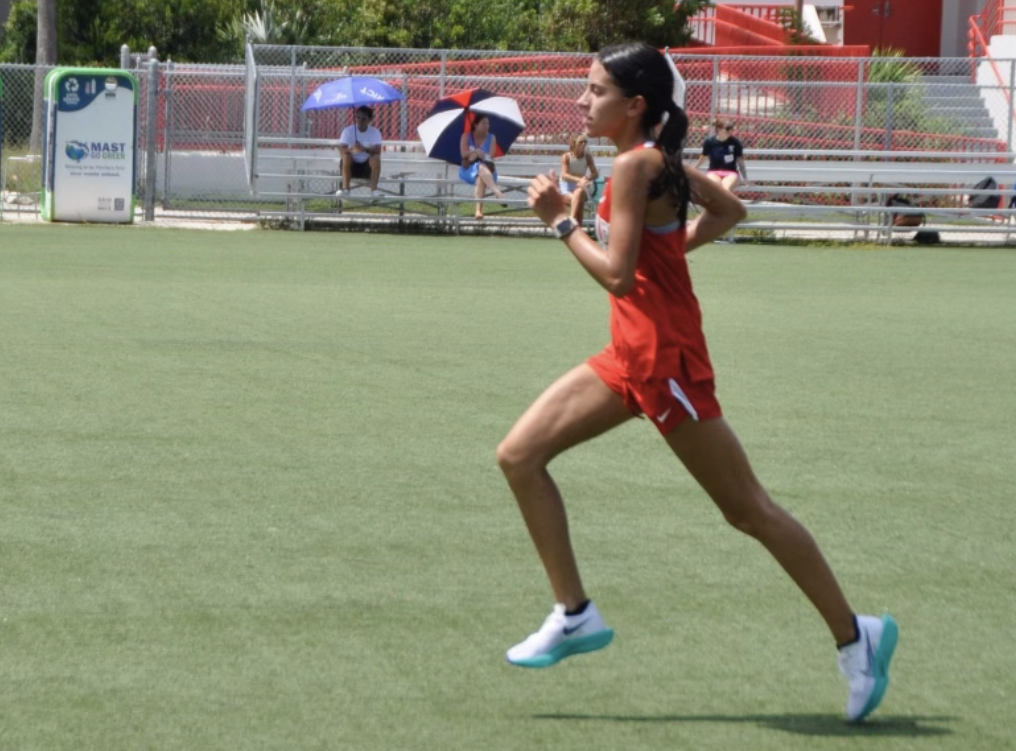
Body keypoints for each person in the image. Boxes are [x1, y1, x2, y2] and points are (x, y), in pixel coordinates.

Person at [498, 42, 897, 724]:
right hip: (628, 355)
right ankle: (575, 613)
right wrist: (660, 251)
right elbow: (727, 213)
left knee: (747, 509)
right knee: (519, 455)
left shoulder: (637, 165)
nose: (581, 100)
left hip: (665, 363)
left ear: (636, 105)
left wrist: (560, 221)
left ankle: (856, 635)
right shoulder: (655, 162)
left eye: (594, 91)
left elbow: (620, 275)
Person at [459, 114, 507, 220]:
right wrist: (475, 151)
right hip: (469, 169)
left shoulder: (491, 137)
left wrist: (479, 154)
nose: (486, 125)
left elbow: (491, 155)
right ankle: (498, 193)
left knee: (481, 175)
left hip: (487, 169)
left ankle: (478, 211)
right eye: (483, 123)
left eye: (488, 123)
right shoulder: (466, 136)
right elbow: (464, 154)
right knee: (479, 168)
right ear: (476, 125)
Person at [337, 105, 383, 197]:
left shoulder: (375, 132)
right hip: (351, 166)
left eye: (363, 119)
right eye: (357, 117)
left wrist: (364, 149)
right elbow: (341, 150)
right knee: (346, 156)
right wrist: (351, 150)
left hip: (367, 168)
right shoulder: (348, 131)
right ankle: (346, 189)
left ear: (370, 120)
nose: (360, 121)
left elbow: (378, 150)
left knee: (376, 158)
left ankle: (374, 191)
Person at [695, 118, 747, 191]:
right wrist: (695, 167)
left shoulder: (735, 142)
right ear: (719, 129)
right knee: (717, 188)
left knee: (726, 189)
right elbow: (704, 156)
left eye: (731, 129)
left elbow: (740, 161)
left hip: (730, 172)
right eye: (727, 129)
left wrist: (744, 178)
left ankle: (726, 202)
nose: (730, 131)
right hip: (714, 172)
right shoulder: (709, 141)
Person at [558, 133, 600, 224]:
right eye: (581, 142)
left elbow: (595, 173)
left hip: (580, 187)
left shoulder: (587, 156)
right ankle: (577, 225)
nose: (584, 144)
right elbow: (564, 175)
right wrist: (579, 180)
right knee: (578, 201)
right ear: (574, 143)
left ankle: (571, 220)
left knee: (579, 192)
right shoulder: (566, 157)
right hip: (566, 187)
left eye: (585, 142)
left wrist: (587, 178)